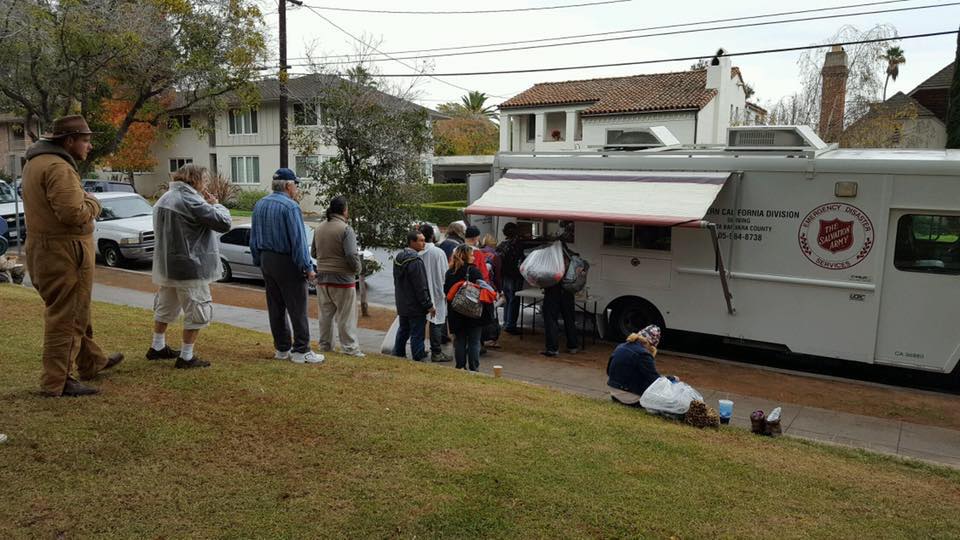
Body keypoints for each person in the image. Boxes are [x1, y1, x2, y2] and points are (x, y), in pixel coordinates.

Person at [21, 115, 123, 396]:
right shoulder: (57, 167)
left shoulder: (36, 162)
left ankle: (91, 361)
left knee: (76, 310)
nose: (89, 146)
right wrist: (93, 201)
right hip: (65, 250)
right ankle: (58, 381)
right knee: (67, 316)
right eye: (86, 140)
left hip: (45, 247)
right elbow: (73, 213)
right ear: (69, 141)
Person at [148, 164, 232, 369]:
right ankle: (186, 357)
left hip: (168, 265)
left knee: (165, 305)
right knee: (198, 309)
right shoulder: (189, 199)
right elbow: (224, 223)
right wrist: (216, 205)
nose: (206, 184)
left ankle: (157, 347)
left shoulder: (166, 197)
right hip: (191, 266)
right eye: (204, 179)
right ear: (194, 179)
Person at [250, 168, 323, 364]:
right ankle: (301, 350)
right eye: (296, 185)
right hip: (286, 261)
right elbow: (298, 242)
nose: (297, 188)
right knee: (297, 307)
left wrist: (259, 260)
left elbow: (253, 237)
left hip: (267, 260)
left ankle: (282, 349)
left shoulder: (260, 204)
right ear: (289, 185)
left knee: (276, 307)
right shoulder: (291, 207)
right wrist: (308, 268)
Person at [311, 195, 363, 357]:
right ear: (344, 210)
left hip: (322, 278)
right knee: (346, 316)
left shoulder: (319, 228)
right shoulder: (346, 229)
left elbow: (313, 252)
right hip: (342, 279)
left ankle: (325, 345)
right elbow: (351, 254)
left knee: (325, 315)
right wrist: (358, 269)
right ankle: (350, 348)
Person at [392, 230, 435, 361]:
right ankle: (418, 356)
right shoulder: (415, 261)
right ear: (412, 242)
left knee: (403, 330)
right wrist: (428, 305)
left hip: (402, 302)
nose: (424, 243)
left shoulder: (399, 257)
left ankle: (398, 353)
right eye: (421, 240)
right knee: (417, 333)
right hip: (415, 305)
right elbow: (421, 287)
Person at [444, 244, 488, 371]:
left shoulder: (450, 272)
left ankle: (460, 366)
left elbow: (446, 291)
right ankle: (474, 368)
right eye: (472, 255)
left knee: (459, 340)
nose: (474, 257)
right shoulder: (474, 271)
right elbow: (483, 289)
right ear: (466, 256)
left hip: (455, 310)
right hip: (472, 311)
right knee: (474, 341)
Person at [606, 325, 674, 407]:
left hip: (614, 393)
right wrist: (671, 379)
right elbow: (655, 382)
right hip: (629, 398)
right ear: (652, 344)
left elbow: (608, 371)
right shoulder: (643, 354)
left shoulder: (620, 346)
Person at [541, 222, 579, 357]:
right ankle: (573, 346)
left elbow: (545, 275)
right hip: (568, 291)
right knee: (569, 318)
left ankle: (552, 348)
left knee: (551, 319)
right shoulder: (572, 256)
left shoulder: (552, 258)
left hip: (553, 291)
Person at [418, 223, 451, 362]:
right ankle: (436, 352)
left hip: (420, 292)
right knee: (436, 321)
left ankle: (419, 349)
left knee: (421, 322)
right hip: (437, 291)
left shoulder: (417, 253)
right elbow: (445, 273)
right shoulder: (438, 252)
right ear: (432, 236)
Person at [496, 222, 525, 335]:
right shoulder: (518, 244)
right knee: (514, 299)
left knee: (507, 299)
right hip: (515, 275)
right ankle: (511, 325)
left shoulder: (502, 245)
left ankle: (506, 322)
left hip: (504, 275)